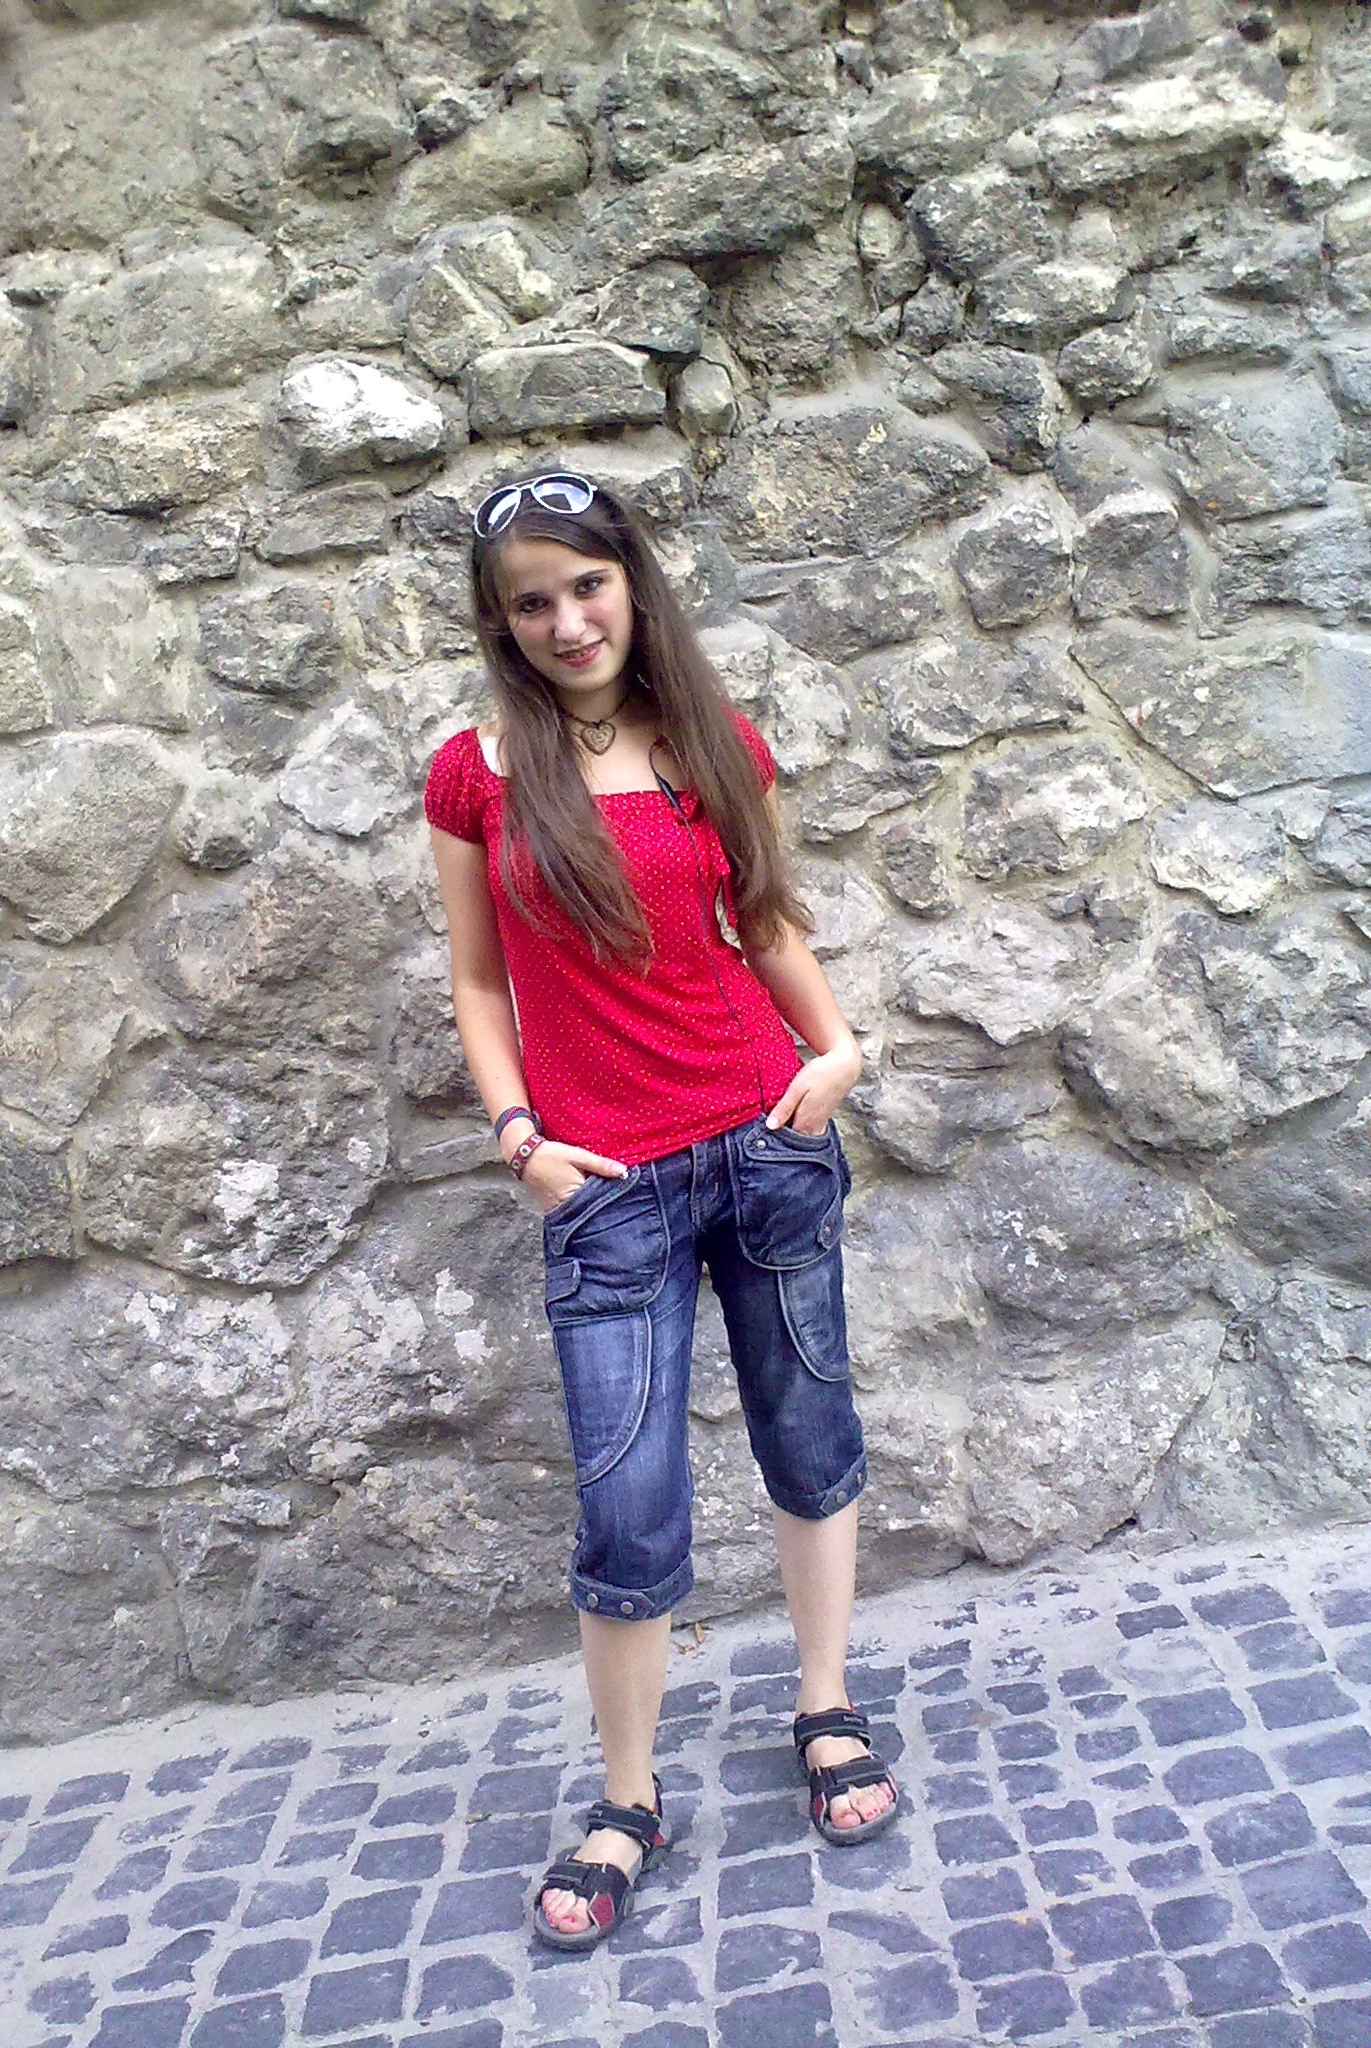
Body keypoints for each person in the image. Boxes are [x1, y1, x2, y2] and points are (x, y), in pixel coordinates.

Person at [423, 471, 901, 1952]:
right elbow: (479, 979)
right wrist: (519, 1137)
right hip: (606, 1184)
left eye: (588, 586)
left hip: (763, 1139)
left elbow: (764, 920)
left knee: (807, 1436)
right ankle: (628, 1799)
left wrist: (838, 1049)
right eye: (533, 602)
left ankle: (824, 1707)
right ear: (502, 623)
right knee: (627, 1513)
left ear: (631, 584)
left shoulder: (713, 744)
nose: (568, 621)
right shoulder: (477, 776)